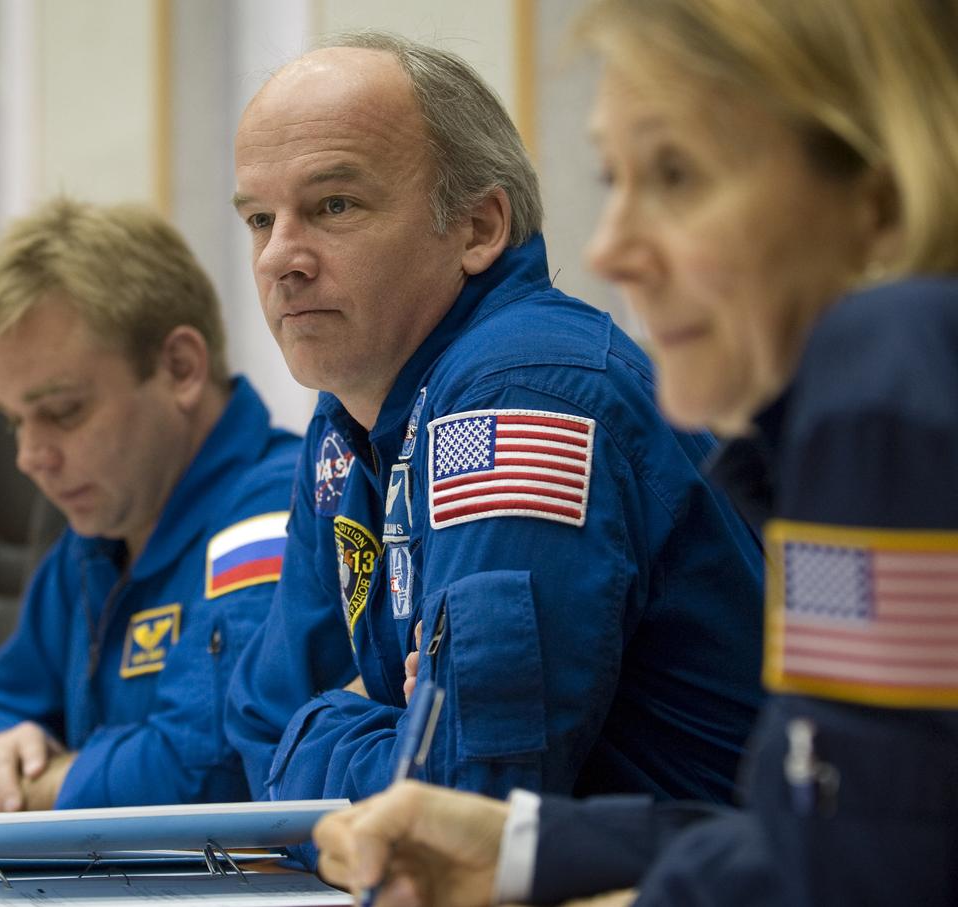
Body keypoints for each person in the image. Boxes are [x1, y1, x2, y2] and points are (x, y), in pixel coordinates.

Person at [313, 0, 958, 904]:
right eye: (613, 177)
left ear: (879, 199)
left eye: (678, 174)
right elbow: (830, 839)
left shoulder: (888, 391)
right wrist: (525, 849)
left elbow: (857, 883)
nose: (611, 248)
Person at [226, 29, 765, 823]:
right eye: (260, 220)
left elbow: (450, 810)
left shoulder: (522, 395)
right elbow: (259, 724)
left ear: (478, 228)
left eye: (333, 206)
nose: (280, 257)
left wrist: (335, 721)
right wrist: (358, 723)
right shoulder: (350, 415)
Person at [0, 198, 300, 820]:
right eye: (14, 422)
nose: (30, 456)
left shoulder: (277, 510)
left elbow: (208, 766)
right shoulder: (93, 543)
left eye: (62, 412)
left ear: (180, 369)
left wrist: (27, 793)